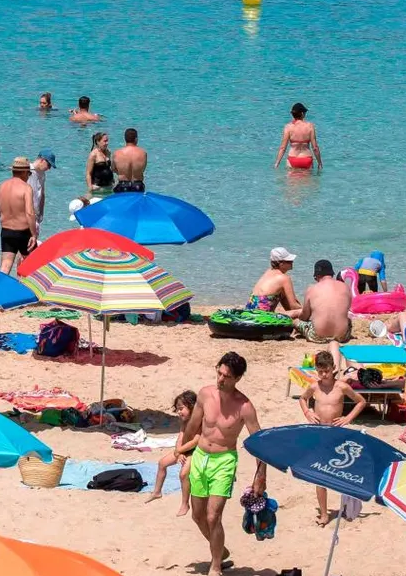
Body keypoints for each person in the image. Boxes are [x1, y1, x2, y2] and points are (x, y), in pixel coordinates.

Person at [178, 352, 266, 576]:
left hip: (224, 461)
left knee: (213, 516)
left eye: (226, 376)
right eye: (219, 373)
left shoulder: (244, 406)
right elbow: (192, 426)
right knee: (197, 515)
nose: (220, 379)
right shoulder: (205, 394)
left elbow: (259, 442)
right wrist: (182, 451)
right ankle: (220, 550)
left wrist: (260, 476)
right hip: (200, 456)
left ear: (237, 378)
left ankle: (216, 565)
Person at [300, 350, 367, 525]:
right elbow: (303, 398)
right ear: (316, 370)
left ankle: (347, 506)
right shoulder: (314, 386)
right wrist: (307, 412)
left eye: (327, 371)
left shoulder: (341, 387)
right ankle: (324, 513)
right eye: (320, 371)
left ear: (334, 368)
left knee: (342, 471)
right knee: (319, 475)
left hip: (337, 435)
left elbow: (361, 401)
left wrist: (348, 418)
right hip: (319, 434)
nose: (324, 375)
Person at [147, 390, 198, 516]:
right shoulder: (184, 422)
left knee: (183, 474)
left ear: (192, 407)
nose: (179, 412)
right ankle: (157, 492)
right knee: (162, 463)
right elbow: (180, 438)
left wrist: (179, 451)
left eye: (181, 409)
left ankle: (185, 504)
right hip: (182, 450)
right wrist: (178, 452)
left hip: (195, 451)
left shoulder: (199, 422)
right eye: (177, 409)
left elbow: (196, 441)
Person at [0, 157, 37, 274]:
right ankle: (26, 286)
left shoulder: (2, 186)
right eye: (29, 173)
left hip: (6, 231)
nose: (28, 176)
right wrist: (33, 234)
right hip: (23, 232)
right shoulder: (26, 188)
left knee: (5, 266)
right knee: (33, 266)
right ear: (24, 172)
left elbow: (0, 211)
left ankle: (0, 285)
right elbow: (30, 213)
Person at [296, 259, 350, 342]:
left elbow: (305, 316)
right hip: (342, 336)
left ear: (317, 275)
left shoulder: (311, 289)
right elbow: (346, 310)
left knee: (296, 322)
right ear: (332, 274)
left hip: (317, 336)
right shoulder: (345, 287)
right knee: (347, 320)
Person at [246, 247, 302, 314]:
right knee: (299, 312)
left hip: (248, 313)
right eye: (289, 261)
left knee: (282, 294)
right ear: (281, 264)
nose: (292, 262)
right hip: (261, 316)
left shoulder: (268, 272)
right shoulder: (284, 278)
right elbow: (294, 306)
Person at [275, 103, 320, 171]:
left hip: (293, 158)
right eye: (305, 112)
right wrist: (319, 163)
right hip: (306, 159)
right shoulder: (310, 126)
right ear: (302, 113)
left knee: (291, 178)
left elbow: (283, 148)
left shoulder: (288, 127)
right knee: (308, 178)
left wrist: (277, 163)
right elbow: (315, 148)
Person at [112, 128, 146, 192]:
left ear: (125, 139)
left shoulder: (117, 153)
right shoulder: (143, 153)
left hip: (123, 185)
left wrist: (122, 173)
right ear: (136, 139)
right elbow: (142, 169)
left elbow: (113, 169)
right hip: (138, 186)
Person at [86, 132, 114, 197]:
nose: (107, 143)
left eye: (107, 141)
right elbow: (88, 173)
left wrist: (113, 180)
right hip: (97, 187)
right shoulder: (93, 155)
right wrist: (90, 188)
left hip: (109, 186)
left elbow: (108, 168)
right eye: (105, 141)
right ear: (98, 142)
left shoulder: (108, 152)